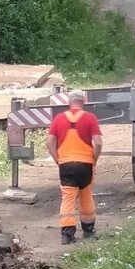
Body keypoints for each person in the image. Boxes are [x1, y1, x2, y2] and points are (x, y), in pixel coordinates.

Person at [46, 90, 102, 245]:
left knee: (68, 197)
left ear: (69, 102)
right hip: (85, 164)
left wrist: (58, 160)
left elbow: (49, 143)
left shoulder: (59, 119)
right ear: (83, 101)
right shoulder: (90, 118)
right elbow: (97, 143)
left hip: (66, 164)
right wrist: (94, 160)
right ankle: (88, 231)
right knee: (86, 196)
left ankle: (67, 235)